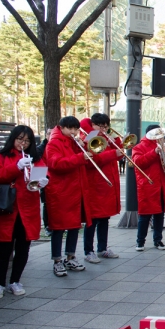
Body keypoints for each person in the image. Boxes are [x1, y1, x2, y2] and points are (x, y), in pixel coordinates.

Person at [0, 125, 48, 298]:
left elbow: (39, 177)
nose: (23, 144)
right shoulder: (0, 156)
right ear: (13, 139)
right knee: (4, 248)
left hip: (28, 209)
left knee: (23, 247)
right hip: (7, 209)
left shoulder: (35, 157)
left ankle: (15, 281)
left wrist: (43, 181)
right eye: (20, 139)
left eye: (27, 140)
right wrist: (16, 166)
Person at [45, 116, 94, 276]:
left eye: (76, 129)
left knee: (74, 226)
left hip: (76, 190)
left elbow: (84, 163)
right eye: (70, 129)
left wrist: (83, 148)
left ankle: (71, 256)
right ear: (62, 127)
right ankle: (57, 260)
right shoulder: (54, 142)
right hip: (61, 191)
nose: (73, 132)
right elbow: (56, 164)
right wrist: (80, 157)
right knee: (58, 228)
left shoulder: (75, 142)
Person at [132, 124, 165, 251]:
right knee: (145, 215)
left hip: (162, 185)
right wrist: (154, 153)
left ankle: (158, 240)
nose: (159, 137)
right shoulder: (139, 147)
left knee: (160, 215)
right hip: (147, 185)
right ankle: (140, 241)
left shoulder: (163, 146)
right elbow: (138, 163)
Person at [81, 115, 123, 263]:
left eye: (105, 126)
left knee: (105, 218)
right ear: (92, 125)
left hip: (107, 184)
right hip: (95, 185)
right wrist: (113, 153)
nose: (103, 129)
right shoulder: (89, 137)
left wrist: (117, 144)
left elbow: (116, 155)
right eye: (100, 126)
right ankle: (88, 251)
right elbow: (93, 160)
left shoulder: (104, 136)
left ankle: (102, 248)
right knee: (92, 220)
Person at [36, 128, 52, 237]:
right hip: (45, 176)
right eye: (49, 133)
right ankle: (47, 226)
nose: (51, 135)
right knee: (46, 203)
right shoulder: (41, 148)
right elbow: (38, 163)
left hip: (53, 177)